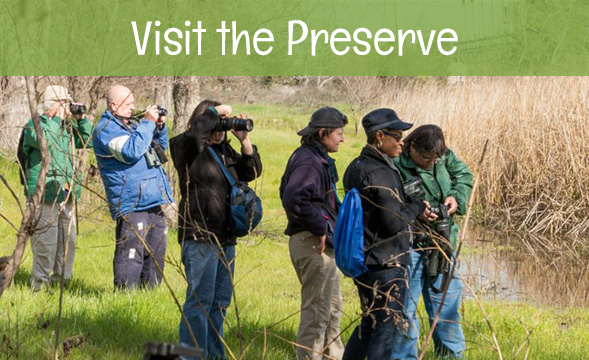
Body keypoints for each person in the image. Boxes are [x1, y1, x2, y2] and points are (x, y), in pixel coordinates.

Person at [169, 100, 262, 359]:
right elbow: (195, 136)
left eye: (223, 123)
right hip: (200, 236)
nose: (220, 128)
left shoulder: (226, 152)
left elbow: (252, 171)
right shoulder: (184, 147)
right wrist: (214, 114)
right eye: (216, 122)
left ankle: (214, 355)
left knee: (219, 303)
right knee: (199, 302)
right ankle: (191, 356)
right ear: (203, 120)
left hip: (226, 238)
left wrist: (244, 140)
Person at [342, 108, 430, 360]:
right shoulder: (380, 172)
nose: (403, 141)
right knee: (386, 327)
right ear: (379, 136)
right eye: (397, 135)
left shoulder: (357, 165)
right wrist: (417, 205)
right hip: (386, 262)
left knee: (369, 324)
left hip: (366, 260)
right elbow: (393, 223)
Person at [393, 124, 473, 359]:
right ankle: (405, 356)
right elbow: (386, 204)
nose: (429, 163)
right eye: (425, 158)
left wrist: (455, 198)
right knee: (405, 310)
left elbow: (464, 176)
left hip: (444, 243)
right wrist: (416, 212)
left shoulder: (443, 156)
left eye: (433, 159)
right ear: (412, 147)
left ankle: (450, 355)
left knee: (445, 309)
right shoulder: (395, 163)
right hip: (410, 247)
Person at [279, 107, 348, 360]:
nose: (342, 139)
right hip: (312, 244)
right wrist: (318, 226)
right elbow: (293, 197)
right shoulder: (309, 159)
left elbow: (286, 190)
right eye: (339, 133)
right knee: (317, 315)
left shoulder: (312, 156)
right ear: (322, 133)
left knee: (332, 310)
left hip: (317, 243)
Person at [92, 85, 173, 289]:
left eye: (133, 103)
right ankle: (125, 297)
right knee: (131, 252)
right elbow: (131, 150)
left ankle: (150, 295)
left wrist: (159, 127)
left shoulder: (133, 124)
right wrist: (147, 123)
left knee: (156, 250)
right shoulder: (105, 129)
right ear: (113, 105)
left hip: (153, 197)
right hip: (131, 201)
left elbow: (159, 148)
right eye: (127, 104)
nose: (132, 107)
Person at [22, 85, 93, 292]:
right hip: (44, 194)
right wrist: (55, 118)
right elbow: (47, 142)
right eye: (64, 103)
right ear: (52, 104)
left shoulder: (67, 127)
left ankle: (61, 284)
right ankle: (39, 286)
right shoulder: (35, 125)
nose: (68, 107)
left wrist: (80, 119)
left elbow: (86, 140)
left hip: (65, 193)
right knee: (46, 243)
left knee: (67, 242)